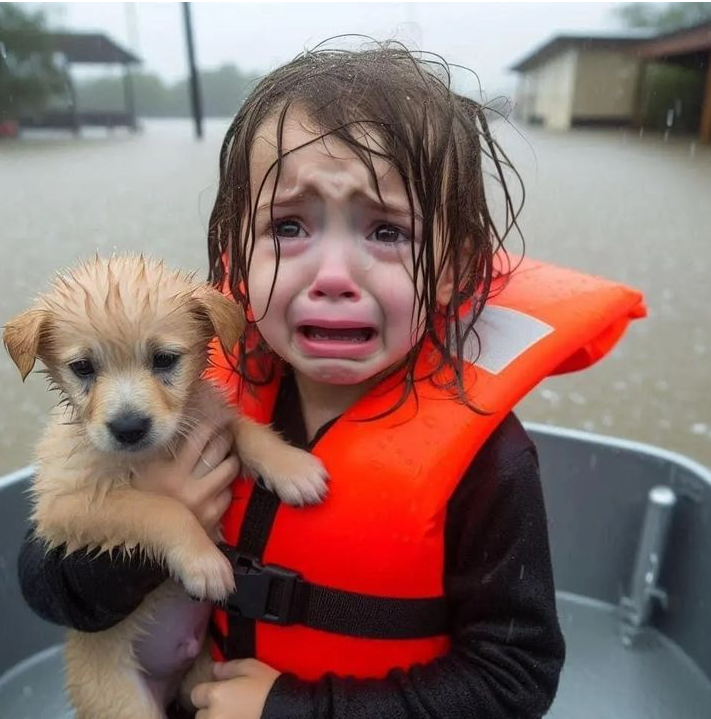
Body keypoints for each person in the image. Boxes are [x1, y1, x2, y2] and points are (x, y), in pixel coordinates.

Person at [18, 40, 571, 719]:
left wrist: (294, 709)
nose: (333, 275)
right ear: (235, 254)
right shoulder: (191, 382)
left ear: (455, 266)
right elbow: (46, 589)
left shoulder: (493, 464)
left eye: (387, 230)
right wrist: (156, 527)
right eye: (288, 225)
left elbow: (514, 678)